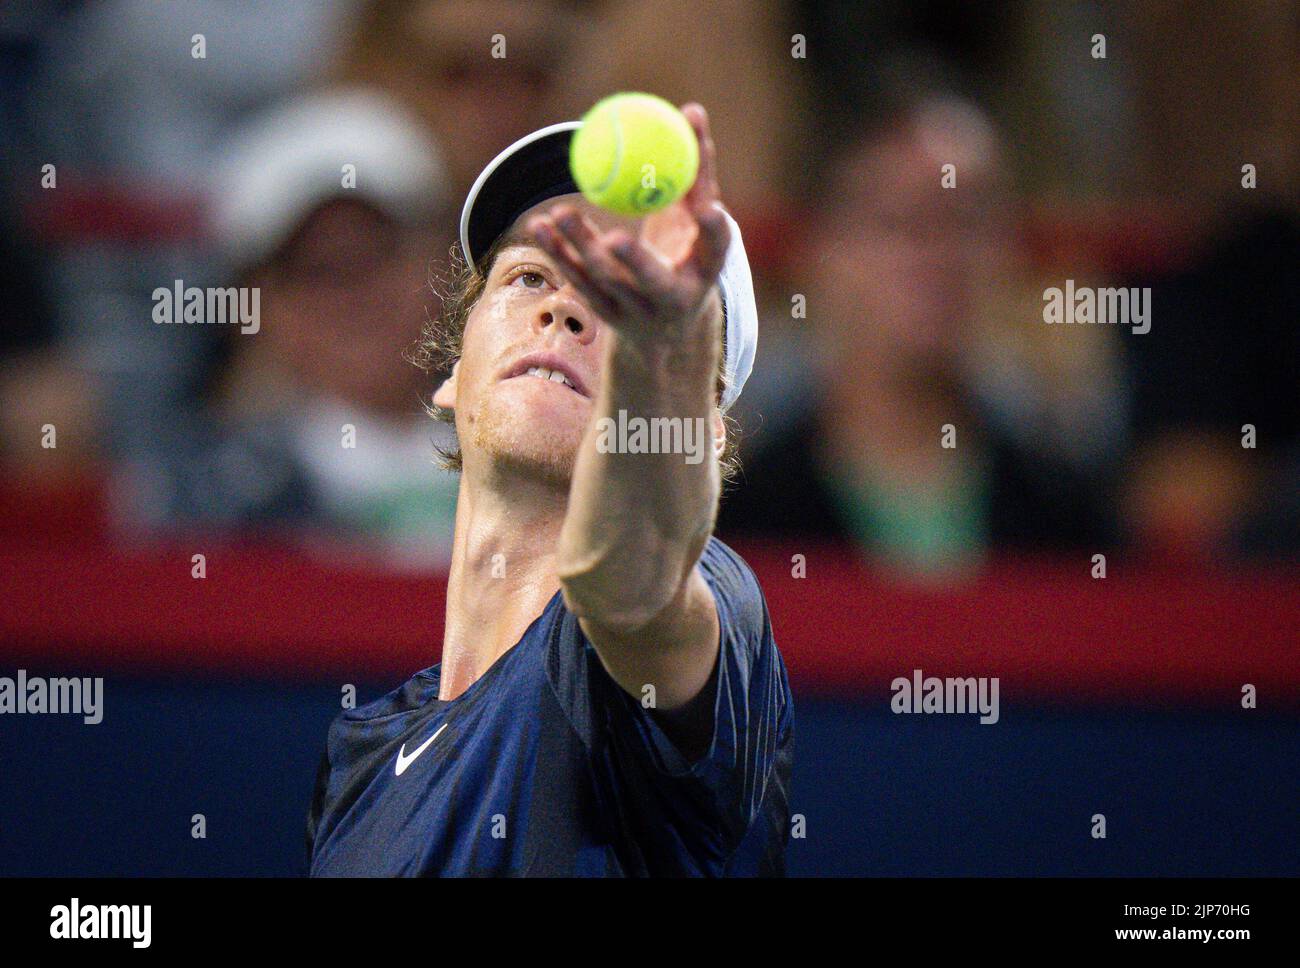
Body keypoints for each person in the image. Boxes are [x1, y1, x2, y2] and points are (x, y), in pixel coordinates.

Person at [306, 105, 794, 875]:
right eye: (529, 275)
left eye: (620, 306)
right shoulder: (361, 755)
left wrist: (659, 358)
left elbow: (633, 582)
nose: (564, 308)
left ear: (701, 431)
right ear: (451, 376)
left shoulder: (701, 597)